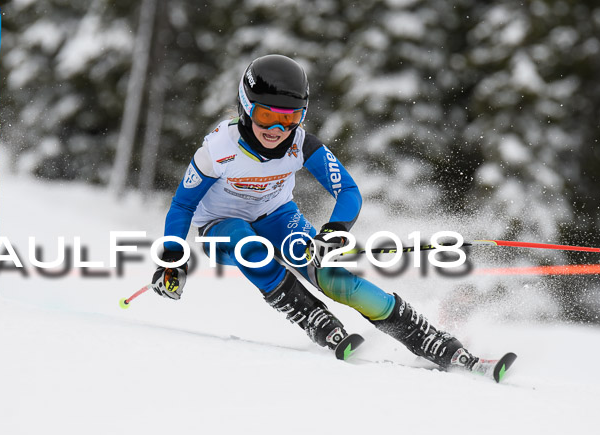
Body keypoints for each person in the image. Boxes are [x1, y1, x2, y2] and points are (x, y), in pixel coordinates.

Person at [151, 54, 479, 371]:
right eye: (267, 116)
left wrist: (333, 233)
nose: (277, 129)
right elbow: (183, 204)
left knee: (335, 278)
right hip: (220, 229)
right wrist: (171, 259)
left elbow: (348, 191)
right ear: (246, 107)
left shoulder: (303, 145)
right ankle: (311, 316)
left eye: (290, 118)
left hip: (278, 218)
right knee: (247, 244)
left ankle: (433, 341)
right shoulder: (218, 150)